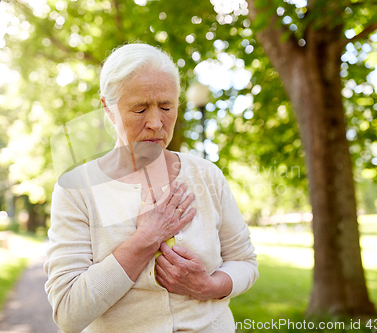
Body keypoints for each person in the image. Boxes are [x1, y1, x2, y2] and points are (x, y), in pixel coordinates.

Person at [44, 43, 259, 333]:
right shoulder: (76, 190)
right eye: (140, 108)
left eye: (166, 106)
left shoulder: (206, 175)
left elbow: (244, 262)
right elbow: (68, 312)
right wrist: (144, 240)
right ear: (108, 108)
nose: (156, 123)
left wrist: (208, 286)